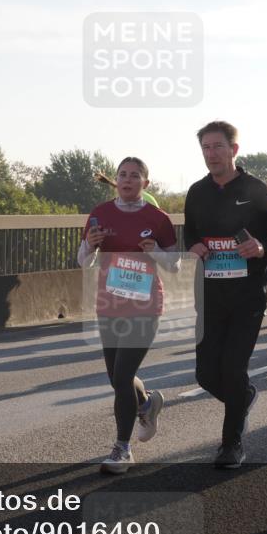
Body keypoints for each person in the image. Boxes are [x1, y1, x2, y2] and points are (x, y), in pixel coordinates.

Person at [184, 121, 267, 469]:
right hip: (210, 294)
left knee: (232, 367)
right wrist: (195, 245)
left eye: (217, 147)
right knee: (205, 375)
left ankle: (232, 444)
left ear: (233, 150)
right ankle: (243, 398)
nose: (211, 154)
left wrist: (262, 248)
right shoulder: (197, 192)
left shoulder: (257, 190)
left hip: (248, 295)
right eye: (206, 148)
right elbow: (190, 235)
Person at [80, 158, 178, 473]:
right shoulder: (99, 214)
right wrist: (91, 248)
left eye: (135, 176)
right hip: (109, 304)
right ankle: (147, 403)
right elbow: (83, 262)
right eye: (123, 174)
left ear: (145, 184)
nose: (127, 179)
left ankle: (122, 449)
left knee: (122, 376)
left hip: (145, 305)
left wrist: (156, 253)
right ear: (116, 181)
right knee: (115, 378)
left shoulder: (158, 218)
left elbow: (174, 265)